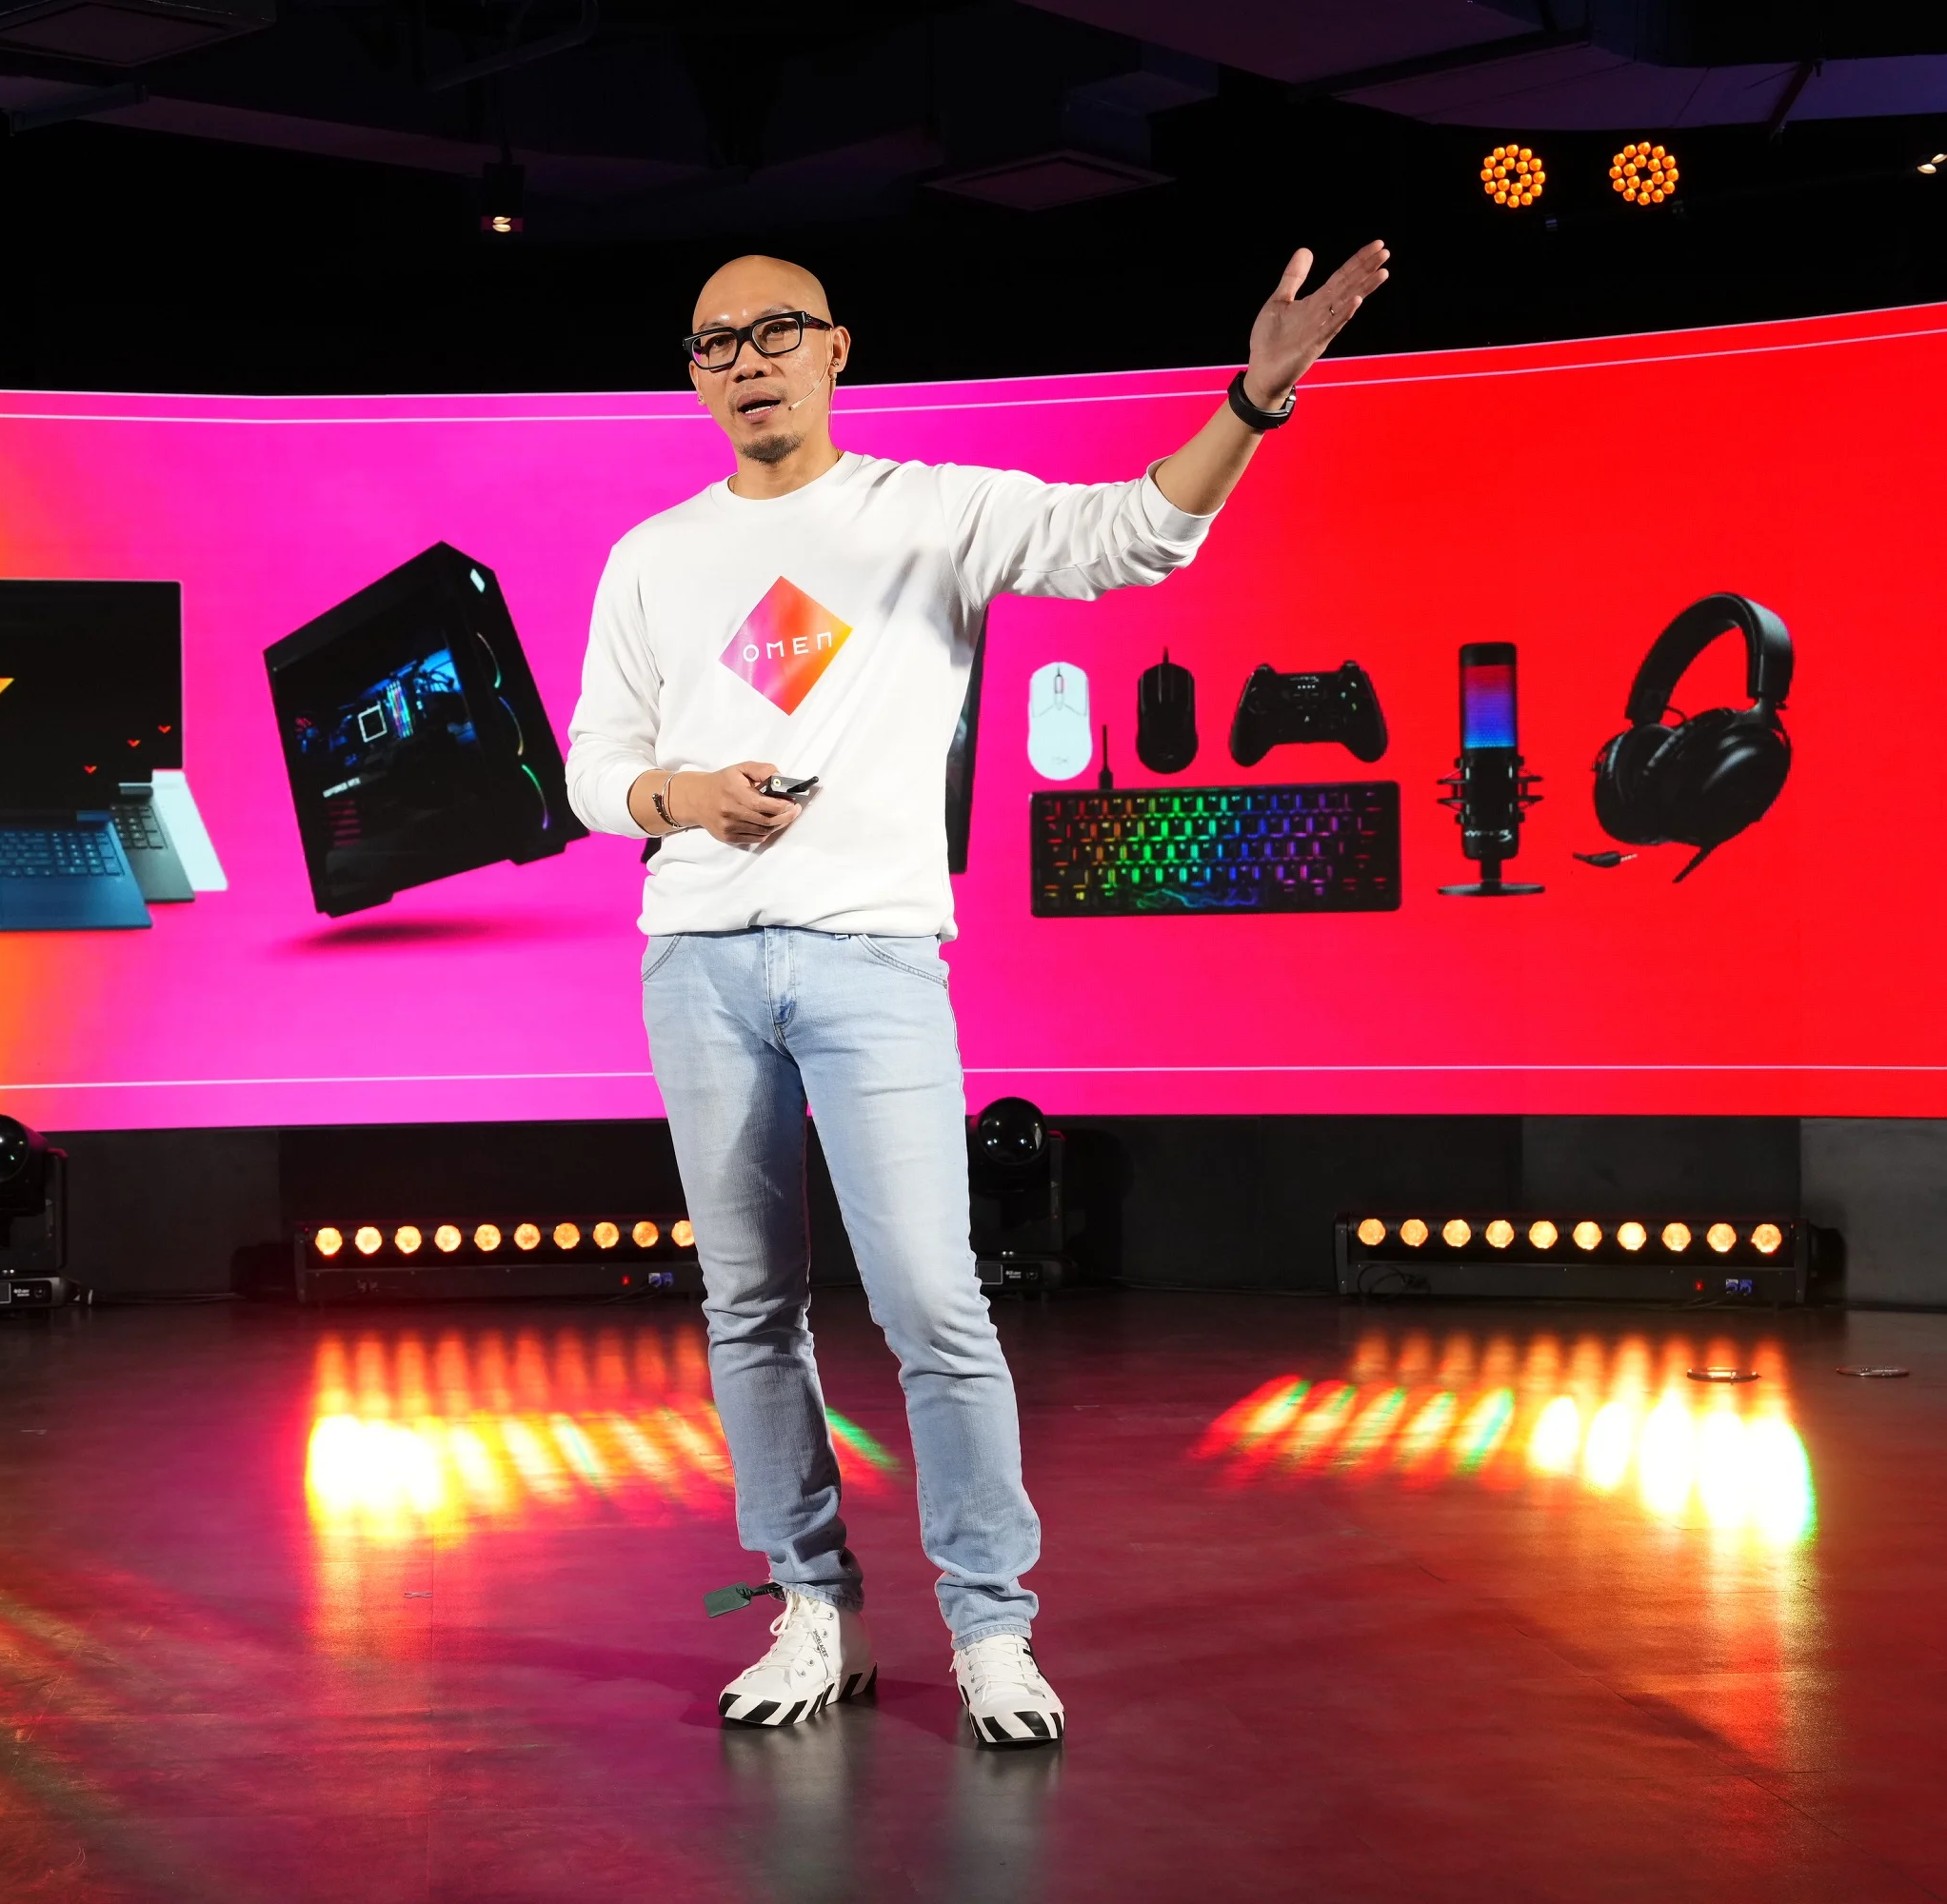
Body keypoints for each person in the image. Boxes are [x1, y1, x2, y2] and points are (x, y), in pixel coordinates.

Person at [562, 245, 1388, 1743]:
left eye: (777, 331)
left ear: (837, 349)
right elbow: (594, 771)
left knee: (935, 1304)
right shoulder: (652, 555)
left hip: (872, 957)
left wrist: (1255, 398)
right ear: (693, 375)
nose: (747, 360)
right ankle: (813, 1610)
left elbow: (1138, 536)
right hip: (697, 961)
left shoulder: (931, 511)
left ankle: (991, 1626)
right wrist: (688, 794)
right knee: (748, 1308)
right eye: (715, 343)